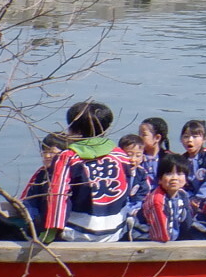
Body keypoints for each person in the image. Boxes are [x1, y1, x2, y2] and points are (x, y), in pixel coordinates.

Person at [39, 102, 137, 242]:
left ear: (74, 129)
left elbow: (58, 196)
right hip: (115, 232)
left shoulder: (67, 158)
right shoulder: (120, 155)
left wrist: (50, 232)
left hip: (78, 233)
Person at [132, 155, 197, 242]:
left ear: (186, 179)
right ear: (160, 179)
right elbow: (161, 235)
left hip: (171, 239)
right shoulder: (157, 201)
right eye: (169, 173)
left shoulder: (182, 195)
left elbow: (187, 225)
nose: (174, 178)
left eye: (180, 174)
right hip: (147, 241)